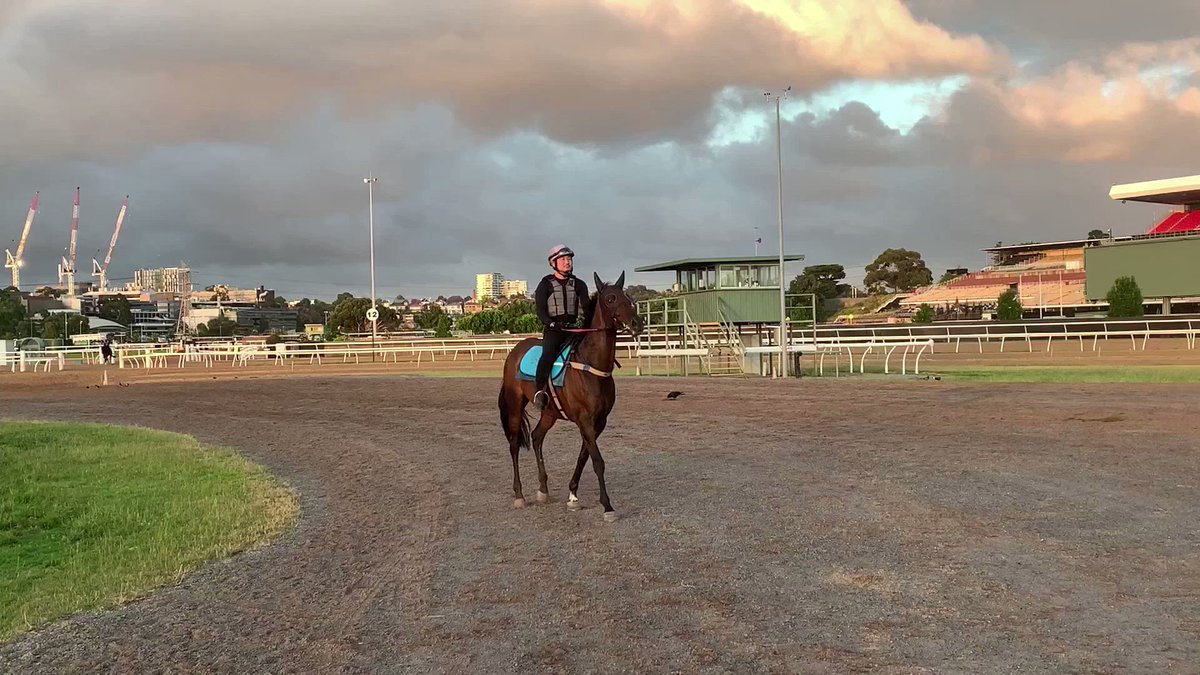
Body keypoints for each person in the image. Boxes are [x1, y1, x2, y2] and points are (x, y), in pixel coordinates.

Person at [532, 244, 591, 414]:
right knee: (548, 355)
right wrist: (550, 323)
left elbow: (587, 308)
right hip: (554, 330)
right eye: (563, 259)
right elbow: (540, 310)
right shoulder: (545, 284)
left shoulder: (579, 284)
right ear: (553, 263)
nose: (567, 262)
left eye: (569, 259)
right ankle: (540, 391)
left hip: (574, 330)